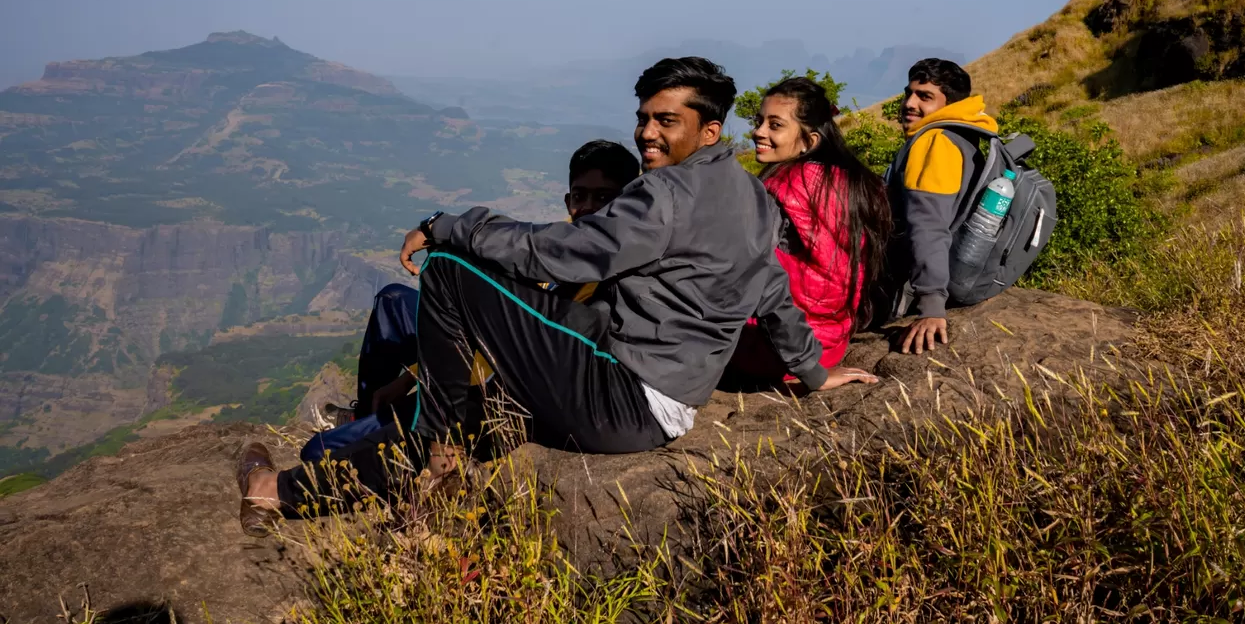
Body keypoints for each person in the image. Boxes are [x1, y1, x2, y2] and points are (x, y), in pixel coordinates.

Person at [236, 58, 876, 534]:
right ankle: (280, 494)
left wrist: (448, 226)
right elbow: (771, 288)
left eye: (666, 121)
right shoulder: (752, 195)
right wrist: (814, 373)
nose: (647, 133)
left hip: (625, 397)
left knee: (453, 272)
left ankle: (439, 454)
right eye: (644, 117)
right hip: (664, 396)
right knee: (490, 403)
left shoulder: (666, 194)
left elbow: (564, 253)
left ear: (710, 131)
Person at [296, 139, 642, 463]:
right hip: (481, 348)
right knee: (393, 301)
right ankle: (370, 411)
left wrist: (412, 379)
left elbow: (511, 354)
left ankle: (387, 420)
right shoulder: (561, 245)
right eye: (581, 196)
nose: (588, 208)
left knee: (317, 454)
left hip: (482, 380)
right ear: (568, 201)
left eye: (603, 198)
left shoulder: (610, 281)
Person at [727, 76, 891, 384]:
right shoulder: (858, 184)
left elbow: (760, 281)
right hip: (828, 348)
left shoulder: (780, 189)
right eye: (759, 121)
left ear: (809, 141)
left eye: (775, 125)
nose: (758, 132)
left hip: (769, 351)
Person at [884, 58, 998, 356]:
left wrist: (931, 304)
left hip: (903, 287)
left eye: (924, 97)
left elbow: (929, 226)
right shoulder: (963, 134)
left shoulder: (935, 142)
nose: (909, 103)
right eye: (908, 93)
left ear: (949, 103)